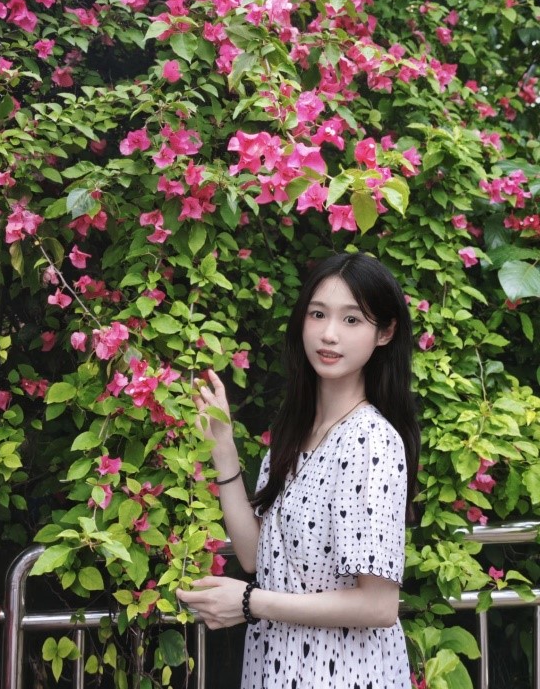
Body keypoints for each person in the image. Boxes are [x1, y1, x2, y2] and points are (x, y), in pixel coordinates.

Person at [177, 251, 421, 689]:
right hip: (279, 666)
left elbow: (379, 606)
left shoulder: (372, 440)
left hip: (345, 675)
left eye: (352, 319)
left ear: (384, 333)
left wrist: (251, 603)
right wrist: (224, 450)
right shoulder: (296, 431)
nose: (329, 334)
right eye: (318, 314)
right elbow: (256, 557)